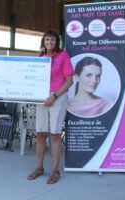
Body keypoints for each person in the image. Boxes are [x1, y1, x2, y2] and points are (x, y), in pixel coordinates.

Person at [27, 30, 74, 184]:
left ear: (57, 42)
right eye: (47, 40)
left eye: (53, 40)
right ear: (43, 41)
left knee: (54, 134)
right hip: (41, 98)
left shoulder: (63, 56)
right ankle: (39, 168)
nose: (50, 43)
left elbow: (69, 81)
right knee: (40, 134)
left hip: (57, 97)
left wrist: (54, 96)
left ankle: (55, 171)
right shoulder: (40, 57)